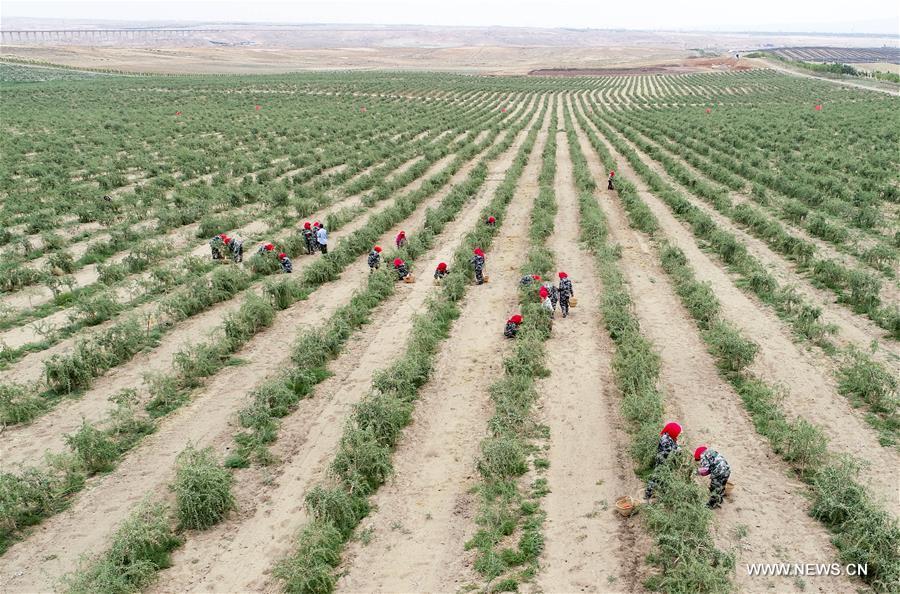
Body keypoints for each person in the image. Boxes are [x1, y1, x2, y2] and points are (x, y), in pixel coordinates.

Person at [645, 422, 682, 500]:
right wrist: (677, 450)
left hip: (667, 460)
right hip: (662, 460)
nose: (678, 435)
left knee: (665, 476)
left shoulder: (670, 436)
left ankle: (662, 491)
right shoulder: (665, 439)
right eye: (677, 433)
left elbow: (674, 443)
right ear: (673, 432)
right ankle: (648, 493)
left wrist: (677, 446)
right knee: (656, 476)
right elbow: (669, 451)